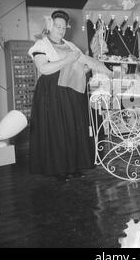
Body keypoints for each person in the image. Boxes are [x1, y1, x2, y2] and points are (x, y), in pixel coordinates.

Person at [28, 10, 112, 181]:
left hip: (71, 92)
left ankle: (73, 167)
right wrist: (68, 60)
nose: (60, 30)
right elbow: (44, 69)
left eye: (63, 27)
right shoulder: (41, 46)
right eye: (57, 26)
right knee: (56, 130)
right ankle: (58, 169)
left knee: (72, 128)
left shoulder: (70, 46)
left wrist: (110, 72)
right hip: (51, 93)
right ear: (51, 25)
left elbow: (89, 61)